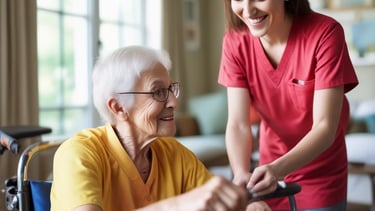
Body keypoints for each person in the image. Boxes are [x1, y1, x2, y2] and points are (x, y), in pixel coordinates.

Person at [50, 46, 248, 211]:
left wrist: (249, 206)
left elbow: (216, 201)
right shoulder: (78, 154)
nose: (174, 102)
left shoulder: (175, 154)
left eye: (171, 89)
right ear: (119, 107)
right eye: (158, 92)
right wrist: (178, 205)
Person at [218, 0, 359, 210]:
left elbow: (325, 127)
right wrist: (241, 174)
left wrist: (276, 170)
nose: (248, 10)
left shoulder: (325, 33)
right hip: (268, 168)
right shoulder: (235, 41)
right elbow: (238, 123)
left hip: (321, 170)